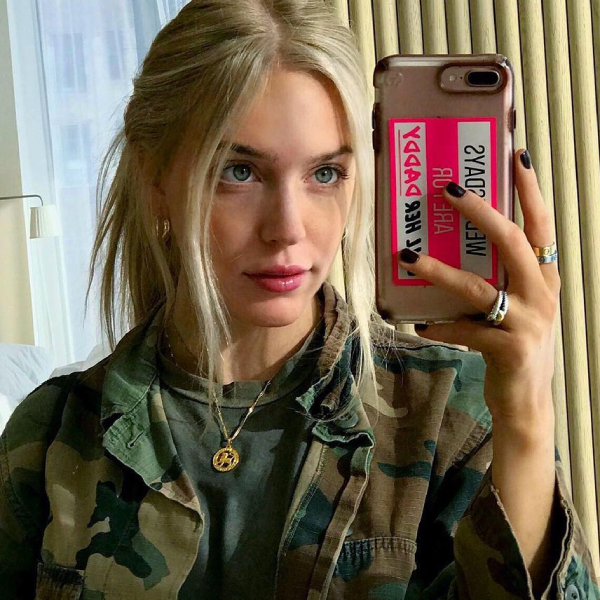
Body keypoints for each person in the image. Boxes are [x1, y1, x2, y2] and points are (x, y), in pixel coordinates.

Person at [0, 0, 598, 598]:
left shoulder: (451, 412)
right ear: (155, 178)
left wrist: (526, 414)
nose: (287, 228)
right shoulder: (49, 437)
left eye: (325, 173)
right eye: (239, 171)